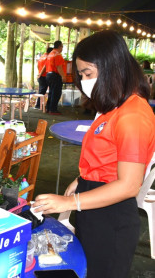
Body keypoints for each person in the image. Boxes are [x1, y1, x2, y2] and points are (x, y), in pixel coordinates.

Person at [33, 30, 155, 278]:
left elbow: (130, 184)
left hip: (112, 216)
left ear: (113, 67)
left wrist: (69, 203)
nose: (84, 80)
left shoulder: (133, 114)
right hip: (93, 204)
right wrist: (81, 180)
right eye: (81, 75)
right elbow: (106, 155)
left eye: (88, 73)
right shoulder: (112, 106)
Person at [45, 40, 66, 115]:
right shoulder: (57, 54)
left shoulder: (50, 53)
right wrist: (63, 76)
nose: (62, 48)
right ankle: (53, 109)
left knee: (51, 92)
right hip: (55, 75)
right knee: (56, 93)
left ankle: (48, 108)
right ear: (60, 46)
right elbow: (59, 67)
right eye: (62, 47)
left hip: (49, 75)